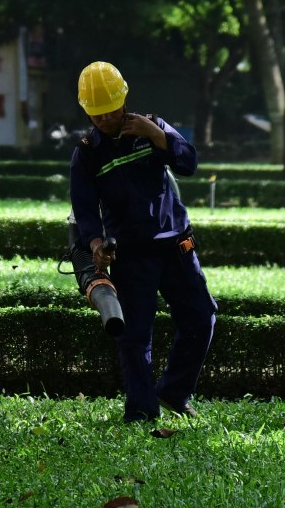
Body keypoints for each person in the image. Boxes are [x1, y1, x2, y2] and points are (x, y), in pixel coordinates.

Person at [68, 61, 217, 423]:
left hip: (177, 247)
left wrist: (156, 135)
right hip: (132, 255)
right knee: (134, 337)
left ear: (124, 100)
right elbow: (85, 210)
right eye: (98, 114)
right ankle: (141, 411)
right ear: (87, 111)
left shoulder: (152, 127)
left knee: (202, 318)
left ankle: (174, 393)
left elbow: (188, 163)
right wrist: (95, 243)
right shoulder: (87, 152)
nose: (106, 119)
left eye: (112, 111)